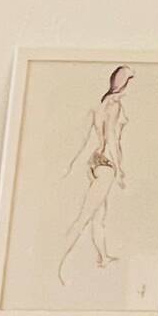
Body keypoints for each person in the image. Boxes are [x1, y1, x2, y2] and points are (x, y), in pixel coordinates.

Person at [58, 65, 133, 285]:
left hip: (95, 162)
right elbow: (112, 138)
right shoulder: (115, 105)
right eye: (130, 81)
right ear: (124, 83)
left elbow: (87, 138)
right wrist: (119, 170)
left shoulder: (102, 104)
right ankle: (57, 263)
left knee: (99, 216)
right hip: (107, 165)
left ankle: (103, 256)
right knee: (85, 217)